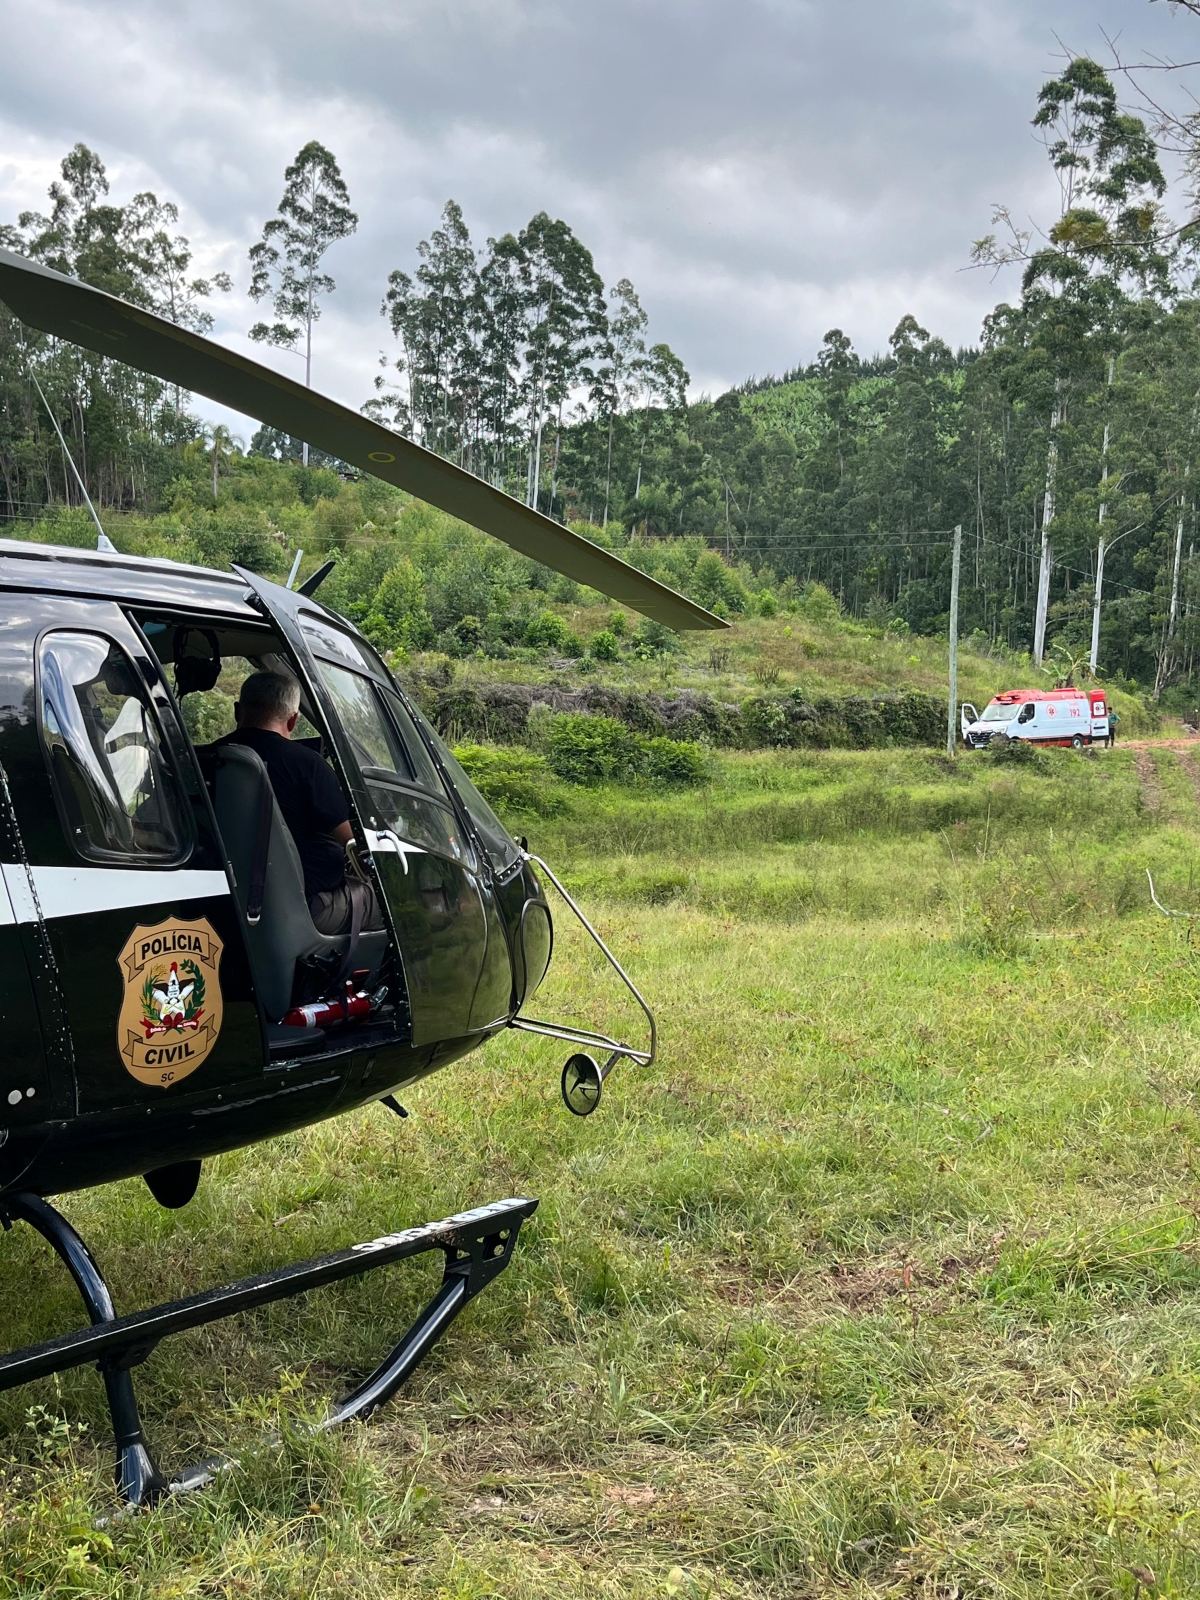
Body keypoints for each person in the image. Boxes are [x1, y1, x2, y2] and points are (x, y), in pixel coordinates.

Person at [221, 671, 383, 935]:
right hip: (303, 907)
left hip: (224, 902)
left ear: (237, 711)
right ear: (293, 719)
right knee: (394, 904)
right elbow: (355, 847)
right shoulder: (308, 765)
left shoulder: (204, 761)